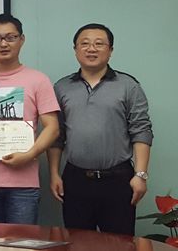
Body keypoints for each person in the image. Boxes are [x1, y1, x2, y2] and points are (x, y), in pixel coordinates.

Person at [47, 23, 153, 235]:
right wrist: (54, 174)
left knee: (119, 244)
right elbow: (56, 135)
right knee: (78, 242)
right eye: (84, 44)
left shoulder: (128, 85)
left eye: (99, 44)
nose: (91, 49)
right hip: (75, 179)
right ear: (75, 49)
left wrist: (140, 175)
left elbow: (141, 130)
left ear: (110, 50)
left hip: (118, 179)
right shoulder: (61, 87)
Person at [0, 13, 60, 224]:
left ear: (21, 39)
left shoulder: (38, 80)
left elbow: (52, 127)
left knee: (21, 240)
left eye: (10, 37)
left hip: (24, 183)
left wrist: (30, 154)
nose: (3, 44)